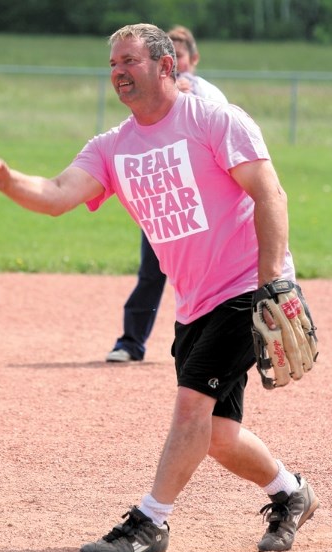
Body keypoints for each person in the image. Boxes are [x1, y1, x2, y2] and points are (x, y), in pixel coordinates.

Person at [0, 23, 319, 552]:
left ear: (166, 66)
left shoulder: (213, 119)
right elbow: (58, 194)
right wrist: (10, 181)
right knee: (218, 433)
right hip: (195, 300)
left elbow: (270, 192)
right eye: (112, 65)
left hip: (247, 287)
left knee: (191, 408)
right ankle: (291, 494)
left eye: (129, 61)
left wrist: (274, 280)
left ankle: (150, 523)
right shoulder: (113, 147)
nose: (118, 73)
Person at [106, 25, 227, 363]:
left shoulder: (209, 96)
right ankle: (131, 343)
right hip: (163, 203)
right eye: (168, 54)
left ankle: (215, 348)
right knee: (150, 274)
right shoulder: (152, 94)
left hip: (203, 208)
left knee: (213, 280)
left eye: (181, 55)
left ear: (191, 59)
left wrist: (189, 95)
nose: (175, 61)